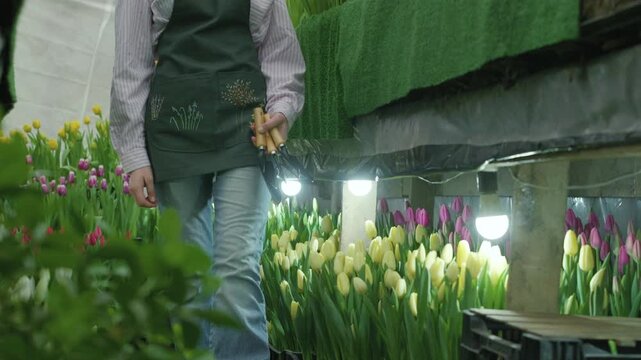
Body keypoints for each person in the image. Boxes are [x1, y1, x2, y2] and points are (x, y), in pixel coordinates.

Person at [109, 1, 305, 359]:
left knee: (238, 268)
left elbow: (280, 50)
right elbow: (130, 65)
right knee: (189, 272)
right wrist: (134, 154)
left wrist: (282, 107)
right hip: (174, 129)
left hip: (248, 129)